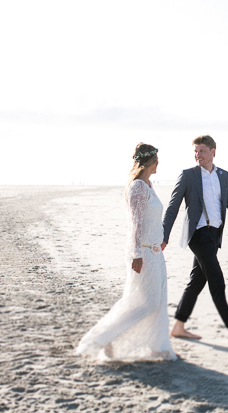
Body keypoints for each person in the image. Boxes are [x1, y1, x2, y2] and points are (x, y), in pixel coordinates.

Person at [76, 143, 177, 361]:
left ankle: (158, 346)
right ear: (150, 161)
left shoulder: (148, 184)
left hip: (155, 252)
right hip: (143, 253)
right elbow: (136, 224)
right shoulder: (138, 187)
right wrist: (137, 255)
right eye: (156, 159)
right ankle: (106, 338)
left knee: (158, 300)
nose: (159, 163)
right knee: (144, 301)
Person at [162, 135, 228, 346]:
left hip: (214, 235)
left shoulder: (223, 175)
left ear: (213, 151)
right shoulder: (188, 176)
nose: (198, 155)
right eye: (195, 151)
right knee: (217, 280)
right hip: (198, 234)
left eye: (202, 150)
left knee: (196, 281)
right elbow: (173, 207)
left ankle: (178, 327)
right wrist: (163, 236)